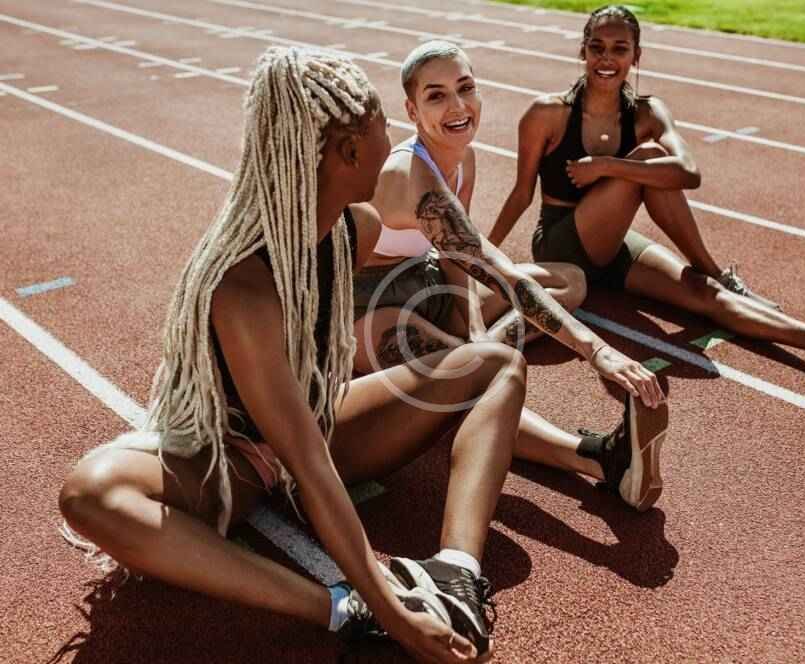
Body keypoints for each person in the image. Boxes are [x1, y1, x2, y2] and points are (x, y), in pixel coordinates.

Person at [57, 46, 534, 663]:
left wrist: (577, 341)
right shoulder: (244, 284)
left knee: (496, 363)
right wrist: (394, 613)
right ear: (350, 153)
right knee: (89, 492)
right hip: (236, 461)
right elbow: (306, 463)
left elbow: (462, 251)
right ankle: (340, 609)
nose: (393, 137)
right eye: (381, 124)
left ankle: (456, 571)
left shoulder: (352, 228)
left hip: (322, 422)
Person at [489, 4, 805, 384]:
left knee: (703, 292)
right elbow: (521, 194)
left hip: (614, 247)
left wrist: (606, 166)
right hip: (562, 245)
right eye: (597, 47)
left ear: (636, 56)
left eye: (619, 49)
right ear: (583, 51)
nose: (606, 59)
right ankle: (718, 273)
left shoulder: (647, 112)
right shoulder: (547, 114)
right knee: (650, 158)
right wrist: (479, 260)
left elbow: (688, 173)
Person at [352, 40, 669, 516]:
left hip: (425, 278)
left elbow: (458, 262)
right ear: (412, 111)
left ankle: (481, 350)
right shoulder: (408, 175)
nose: (457, 106)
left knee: (569, 281)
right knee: (474, 382)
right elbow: (494, 268)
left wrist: (475, 330)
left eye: (465, 88)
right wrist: (595, 350)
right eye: (436, 96)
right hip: (369, 307)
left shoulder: (462, 157)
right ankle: (602, 459)